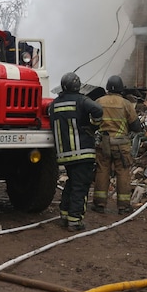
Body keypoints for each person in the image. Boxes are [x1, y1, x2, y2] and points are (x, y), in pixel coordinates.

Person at [47, 72, 103, 232]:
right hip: (83, 152)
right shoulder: (82, 100)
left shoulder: (54, 104)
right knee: (80, 187)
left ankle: (64, 216)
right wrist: (93, 127)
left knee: (71, 184)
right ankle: (75, 220)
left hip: (64, 154)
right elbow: (98, 110)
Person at [92, 75, 143, 215]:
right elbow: (136, 126)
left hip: (103, 144)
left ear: (108, 87)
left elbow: (92, 123)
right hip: (121, 145)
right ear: (121, 88)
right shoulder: (126, 104)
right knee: (123, 172)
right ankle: (123, 206)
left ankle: (99, 204)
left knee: (102, 171)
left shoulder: (98, 102)